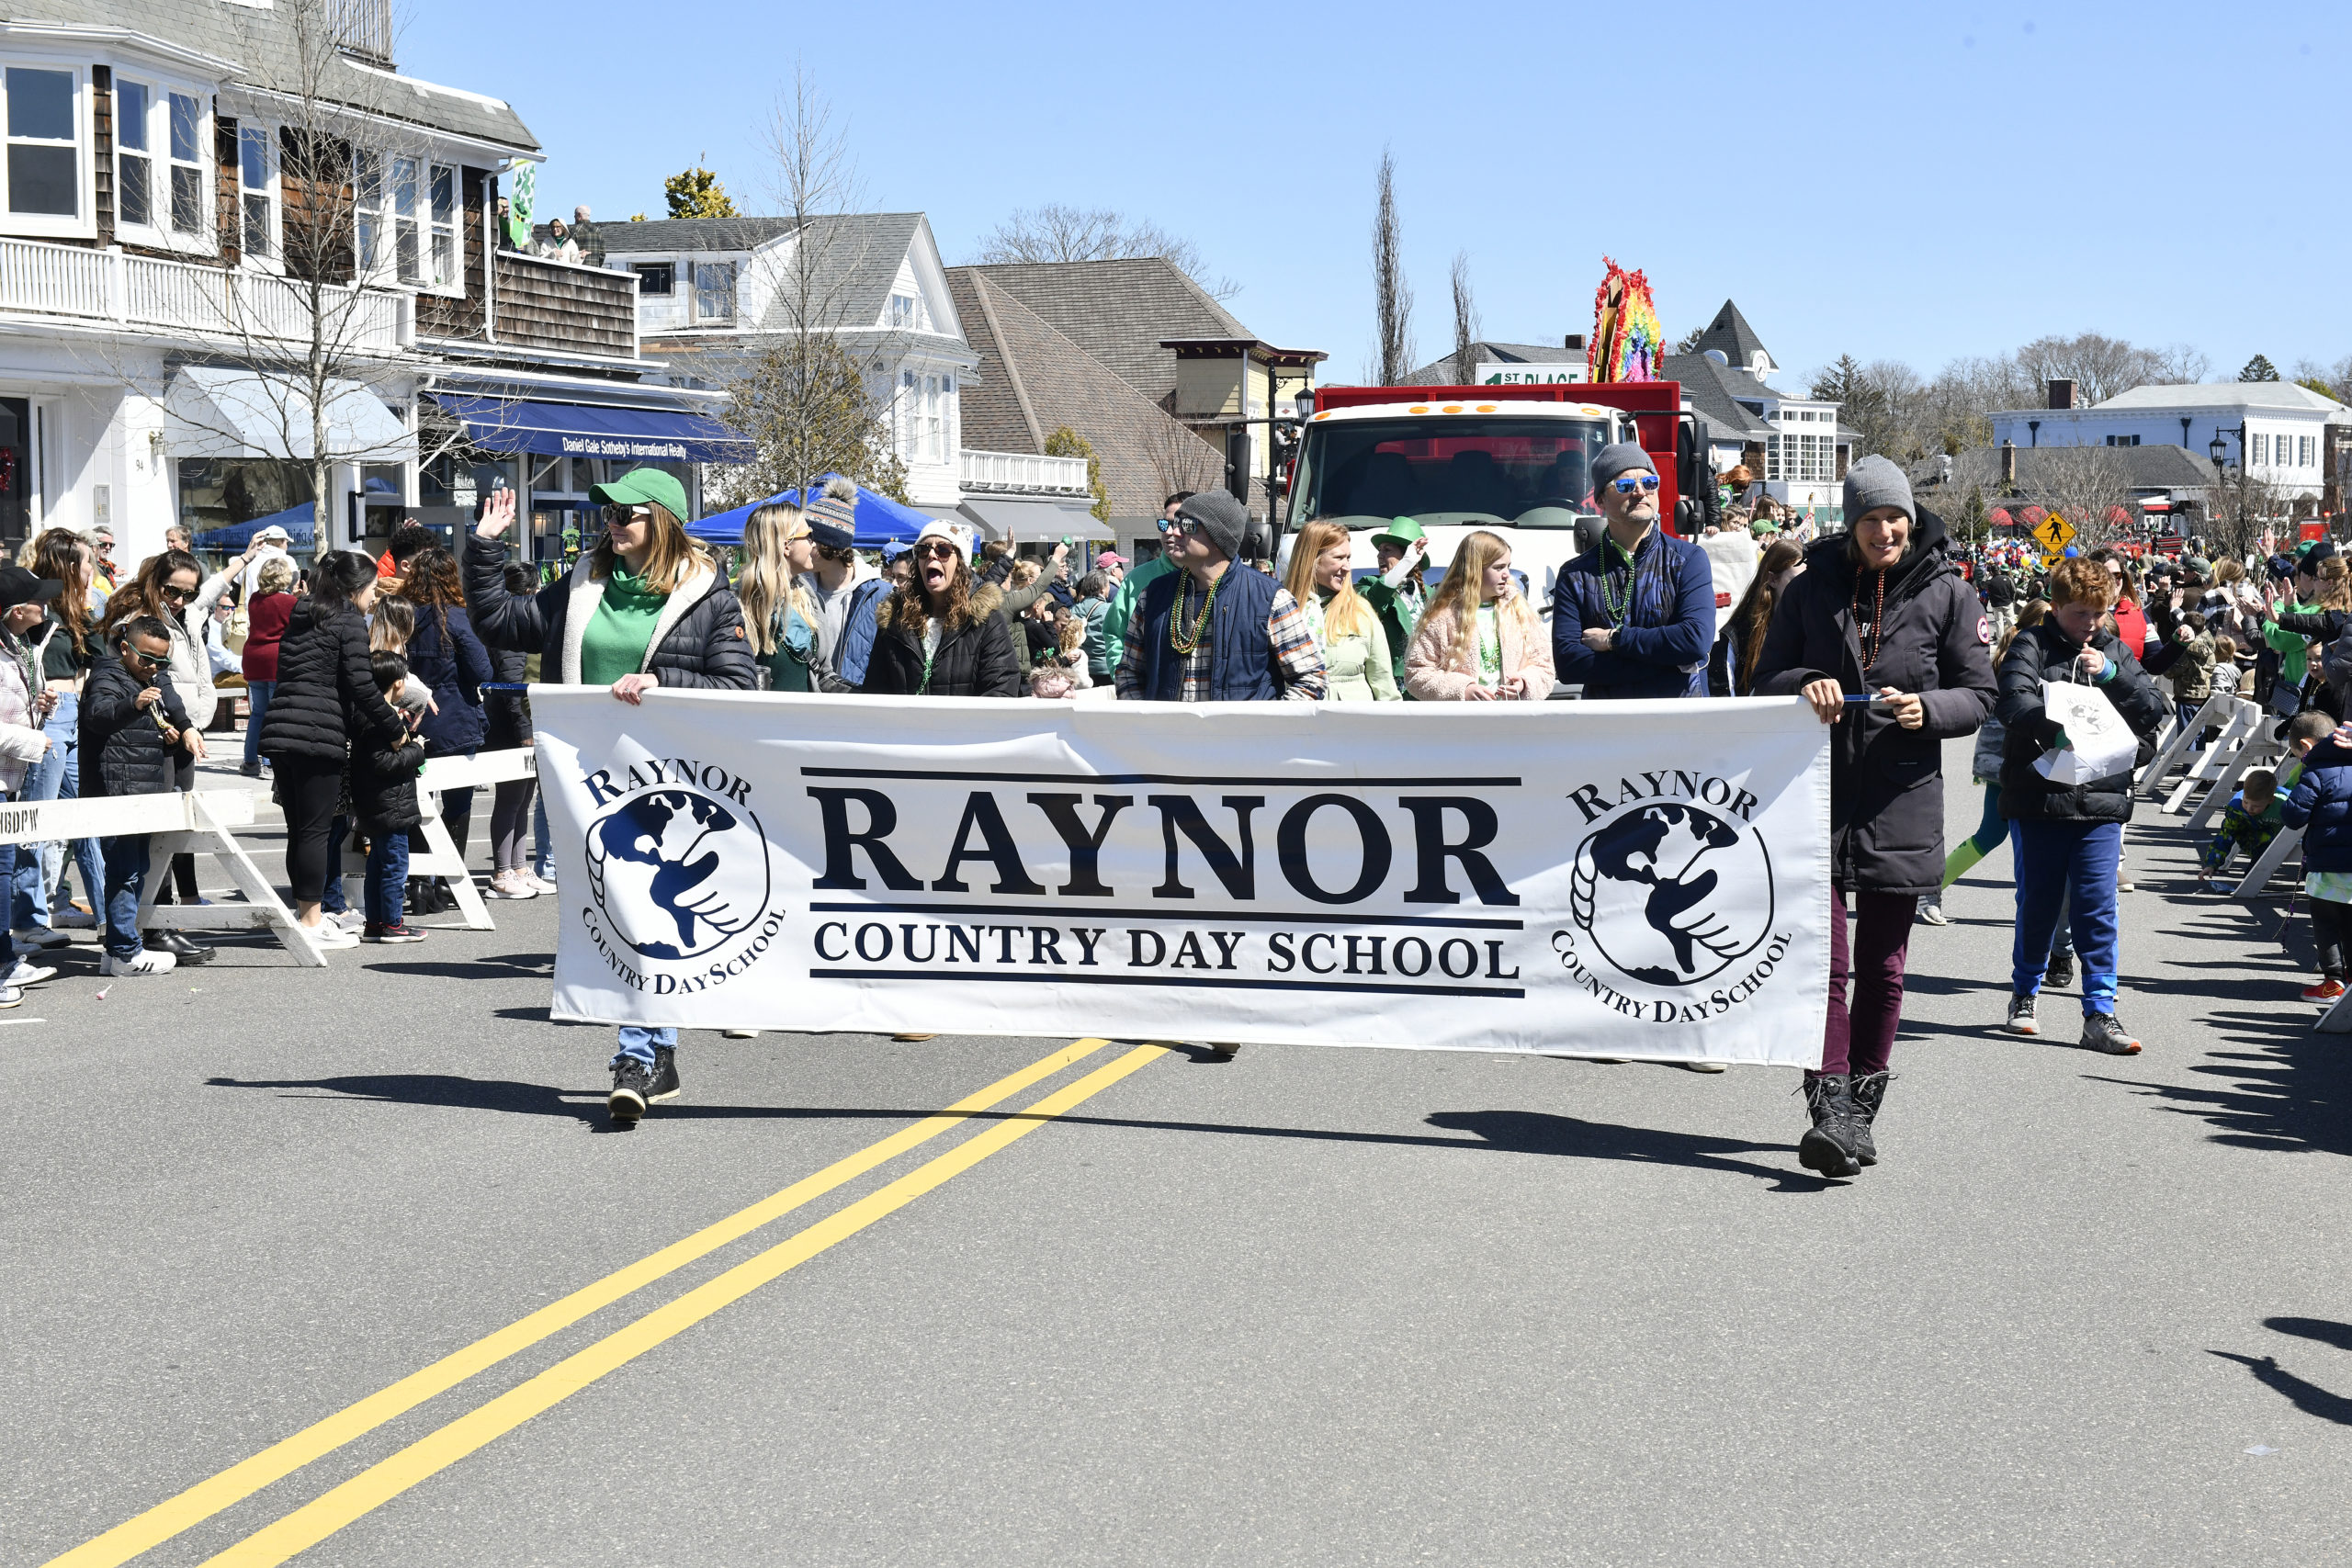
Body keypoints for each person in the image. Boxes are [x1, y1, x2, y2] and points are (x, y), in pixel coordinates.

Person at [466, 468, 756, 1128]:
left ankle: (636, 1056)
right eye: (607, 512)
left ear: (664, 520)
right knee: (618, 915)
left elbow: (737, 683)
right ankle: (659, 1051)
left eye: (628, 512)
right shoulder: (583, 584)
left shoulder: (710, 595)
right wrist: (484, 547)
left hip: (669, 788)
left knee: (641, 914)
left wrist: (660, 678)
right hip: (590, 779)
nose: (612, 522)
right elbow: (501, 623)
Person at [1753, 457, 1996, 1175]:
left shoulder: (1950, 591)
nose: (1885, 530)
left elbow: (1978, 692)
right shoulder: (1810, 586)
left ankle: (1861, 1106)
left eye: (1896, 518)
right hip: (1818, 794)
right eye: (1870, 520)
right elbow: (1768, 674)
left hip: (1903, 795)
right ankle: (1828, 1103)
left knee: (1883, 965)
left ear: (1911, 519)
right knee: (1824, 963)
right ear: (1851, 523)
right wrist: (1807, 684)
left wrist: (1931, 710)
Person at [1993, 556, 2170, 1053]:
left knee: (2098, 909)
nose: (2089, 625)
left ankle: (2101, 1012)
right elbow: (2010, 700)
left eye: (2098, 613)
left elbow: (2154, 708)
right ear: (2055, 606)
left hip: (2102, 800)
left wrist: (2113, 672)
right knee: (2039, 905)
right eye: (2078, 614)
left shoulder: (2111, 649)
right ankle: (2024, 994)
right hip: (2040, 798)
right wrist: (2049, 726)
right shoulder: (2030, 643)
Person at [259, 551, 408, 951]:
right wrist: (394, 728)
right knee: (315, 831)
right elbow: (361, 685)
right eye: (373, 590)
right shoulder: (348, 621)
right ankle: (310, 921)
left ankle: (305, 913)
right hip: (316, 733)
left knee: (300, 831)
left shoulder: (301, 614)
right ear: (356, 589)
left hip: (280, 729)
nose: (374, 598)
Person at [1116, 491, 1327, 703]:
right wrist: (1148, 725)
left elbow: (1311, 679)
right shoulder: (1152, 596)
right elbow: (1128, 673)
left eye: (1188, 525)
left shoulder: (1271, 599)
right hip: (1169, 734)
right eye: (1175, 523)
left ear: (1218, 538)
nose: (1175, 532)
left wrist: (1265, 729)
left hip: (1243, 735)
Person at [1552, 443, 1716, 699]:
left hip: (1678, 719)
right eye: (1625, 486)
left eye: (1650, 482)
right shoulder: (1576, 574)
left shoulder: (1689, 560)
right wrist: (1669, 663)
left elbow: (1695, 640)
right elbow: (1569, 665)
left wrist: (1614, 640)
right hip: (1609, 724)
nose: (1640, 492)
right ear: (1601, 500)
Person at [83, 615, 198, 976]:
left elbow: (165, 713)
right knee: (124, 872)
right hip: (117, 790)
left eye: (161, 662)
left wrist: (176, 731)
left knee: (137, 869)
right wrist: (132, 704)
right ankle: (124, 953)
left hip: (143, 788)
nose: (153, 667)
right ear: (124, 648)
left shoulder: (151, 678)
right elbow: (97, 715)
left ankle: (116, 950)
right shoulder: (108, 673)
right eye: (146, 658)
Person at [15, 530, 105, 944]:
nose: (94, 569)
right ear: (70, 566)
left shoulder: (77, 611)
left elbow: (101, 656)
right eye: (88, 562)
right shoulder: (36, 611)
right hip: (47, 717)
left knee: (86, 820)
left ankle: (110, 916)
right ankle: (29, 920)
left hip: (75, 716)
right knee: (37, 820)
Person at [395, 547, 492, 910]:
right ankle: (449, 884)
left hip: (411, 718)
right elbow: (482, 670)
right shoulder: (455, 617)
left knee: (418, 803)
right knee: (458, 803)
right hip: (454, 717)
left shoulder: (402, 616)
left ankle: (418, 883)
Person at [859, 521, 1022, 698]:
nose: (931, 555)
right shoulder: (895, 619)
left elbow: (1001, 688)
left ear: (960, 563)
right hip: (905, 725)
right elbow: (875, 691)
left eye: (943, 549)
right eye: (923, 549)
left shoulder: (985, 619)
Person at [0, 565, 58, 1004]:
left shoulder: (14, 646)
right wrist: (35, 738)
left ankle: (4, 958)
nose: (47, 603)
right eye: (38, 598)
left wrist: (39, 708)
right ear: (16, 609)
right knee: (2, 871)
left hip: (8, 775)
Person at [1402, 529, 1550, 701]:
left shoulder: (1518, 612)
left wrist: (1524, 683)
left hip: (1511, 721)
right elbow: (1416, 674)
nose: (1507, 574)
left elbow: (1544, 666)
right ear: (1475, 570)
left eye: (1508, 566)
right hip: (1463, 723)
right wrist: (1463, 689)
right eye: (1499, 567)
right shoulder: (1442, 616)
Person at [351, 651, 429, 943]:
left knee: (377, 865)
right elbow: (384, 763)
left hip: (376, 805)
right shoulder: (382, 721)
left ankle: (375, 923)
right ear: (398, 684)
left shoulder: (365, 713)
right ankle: (393, 924)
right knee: (395, 866)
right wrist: (417, 749)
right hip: (390, 806)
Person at [1279, 520, 1399, 702]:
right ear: (1312, 558)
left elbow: (1384, 684)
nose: (1347, 567)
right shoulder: (1280, 611)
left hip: (1353, 724)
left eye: (1348, 558)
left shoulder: (1361, 612)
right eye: (1339, 558)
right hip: (1298, 723)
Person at [736, 499, 849, 693]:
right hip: (756, 720)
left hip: (806, 721)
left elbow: (823, 675)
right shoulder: (737, 604)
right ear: (786, 544)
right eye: (808, 536)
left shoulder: (809, 599)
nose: (814, 545)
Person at [483, 563, 546, 901]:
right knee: (510, 800)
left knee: (523, 799)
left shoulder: (517, 623)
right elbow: (512, 684)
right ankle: (502, 872)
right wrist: (525, 731)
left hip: (524, 724)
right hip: (511, 728)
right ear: (528, 592)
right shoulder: (509, 628)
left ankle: (519, 868)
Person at [2285, 725, 2352, 1006]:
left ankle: (2333, 981)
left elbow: (2293, 816)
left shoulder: (2315, 771)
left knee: (2326, 923)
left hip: (2327, 866)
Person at [1099, 492, 1192, 671]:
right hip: (1147, 694)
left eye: (1178, 523)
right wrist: (1122, 679)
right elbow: (1114, 633)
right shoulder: (1137, 579)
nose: (1169, 532)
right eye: (1165, 523)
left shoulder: (1211, 577)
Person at [795, 479, 880, 669]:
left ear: (830, 545)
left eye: (810, 539)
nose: (805, 546)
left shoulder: (876, 594)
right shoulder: (797, 589)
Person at [1710, 537, 1804, 697]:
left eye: (1812, 581)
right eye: (1798, 581)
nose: (1807, 589)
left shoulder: (1819, 626)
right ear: (1773, 579)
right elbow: (1722, 703)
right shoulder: (1736, 634)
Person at [239, 556, 298, 778]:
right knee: (276, 714)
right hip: (276, 660)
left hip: (253, 658)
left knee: (258, 714)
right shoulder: (289, 602)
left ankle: (251, 761)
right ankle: (269, 762)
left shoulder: (254, 599)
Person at [1359, 518, 1430, 691]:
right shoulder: (1367, 585)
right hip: (1388, 687)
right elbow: (1373, 602)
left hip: (1425, 686)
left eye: (1387, 550)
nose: (1379, 555)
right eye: (1379, 550)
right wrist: (1404, 565)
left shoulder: (1430, 594)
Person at [2196, 766, 2284, 890]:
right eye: (2246, 802)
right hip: (2249, 835)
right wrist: (2212, 864)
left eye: (2256, 806)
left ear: (2271, 800)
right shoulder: (2237, 807)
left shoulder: (2283, 806)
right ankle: (2252, 877)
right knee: (2260, 845)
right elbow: (2225, 835)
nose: (2249, 808)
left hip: (2275, 836)